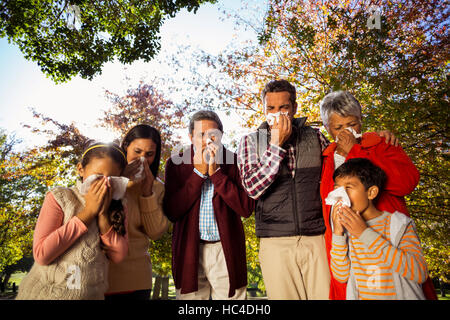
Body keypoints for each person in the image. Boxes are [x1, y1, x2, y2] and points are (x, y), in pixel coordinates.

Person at [237, 80, 398, 300]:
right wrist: (275, 145)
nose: (277, 114)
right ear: (264, 109)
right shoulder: (249, 142)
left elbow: (343, 172)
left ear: (293, 108)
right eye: (270, 109)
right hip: (275, 241)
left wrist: (375, 139)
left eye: (283, 108)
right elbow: (252, 188)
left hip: (317, 238)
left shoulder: (315, 137)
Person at [319, 90, 437, 300]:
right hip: (346, 246)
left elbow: (407, 182)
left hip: (386, 239)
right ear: (328, 129)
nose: (347, 131)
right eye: (338, 127)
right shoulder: (325, 158)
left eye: (352, 124)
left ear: (361, 121)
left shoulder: (381, 145)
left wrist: (355, 151)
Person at [16, 142, 129, 300]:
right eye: (97, 176)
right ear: (81, 169)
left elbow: (118, 256)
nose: (104, 184)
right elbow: (42, 254)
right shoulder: (60, 198)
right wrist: (89, 212)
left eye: (111, 179)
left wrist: (103, 214)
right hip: (46, 295)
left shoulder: (119, 208)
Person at [163, 110, 255, 300]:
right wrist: (198, 174)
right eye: (201, 135)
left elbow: (245, 208)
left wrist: (216, 174)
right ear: (190, 137)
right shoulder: (175, 164)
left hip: (225, 248)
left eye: (213, 134)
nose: (208, 140)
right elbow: (172, 211)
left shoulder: (235, 162)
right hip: (190, 249)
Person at [329, 158, 428, 300]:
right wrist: (337, 233)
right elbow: (341, 275)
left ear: (371, 193)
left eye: (348, 188)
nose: (340, 195)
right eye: (336, 189)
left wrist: (364, 234)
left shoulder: (399, 225)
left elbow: (419, 273)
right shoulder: (345, 230)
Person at [105, 124, 169, 300]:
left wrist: (147, 192)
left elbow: (155, 232)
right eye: (137, 151)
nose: (142, 160)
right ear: (125, 148)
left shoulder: (158, 189)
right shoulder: (107, 179)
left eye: (149, 154)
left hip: (137, 281)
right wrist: (121, 181)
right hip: (100, 276)